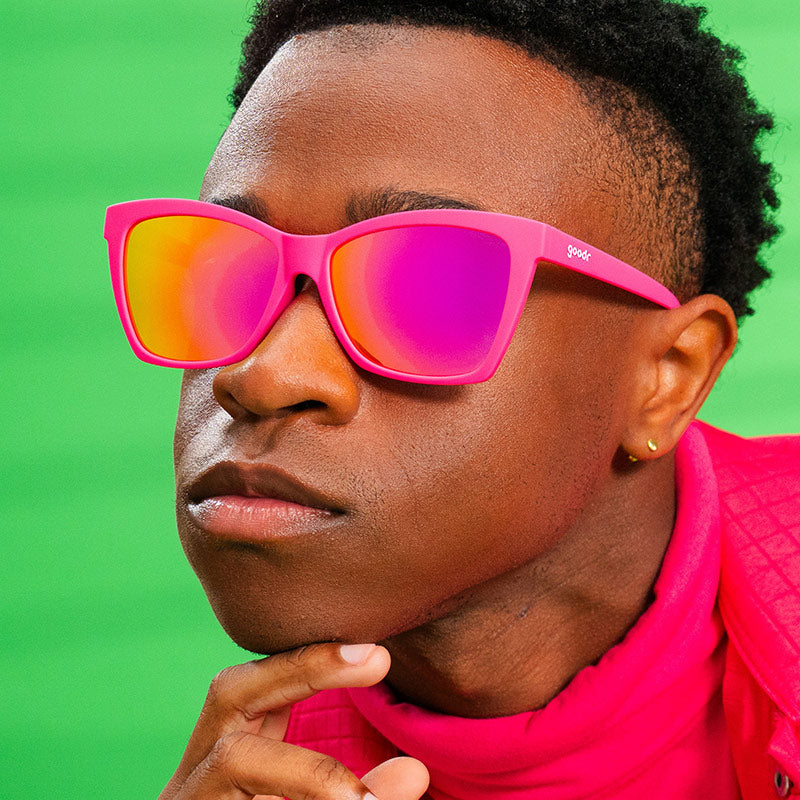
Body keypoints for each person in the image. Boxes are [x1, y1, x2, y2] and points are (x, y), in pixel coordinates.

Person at [104, 1, 800, 797]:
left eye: (424, 286)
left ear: (667, 376)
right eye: (221, 270)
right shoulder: (264, 774)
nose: (263, 374)